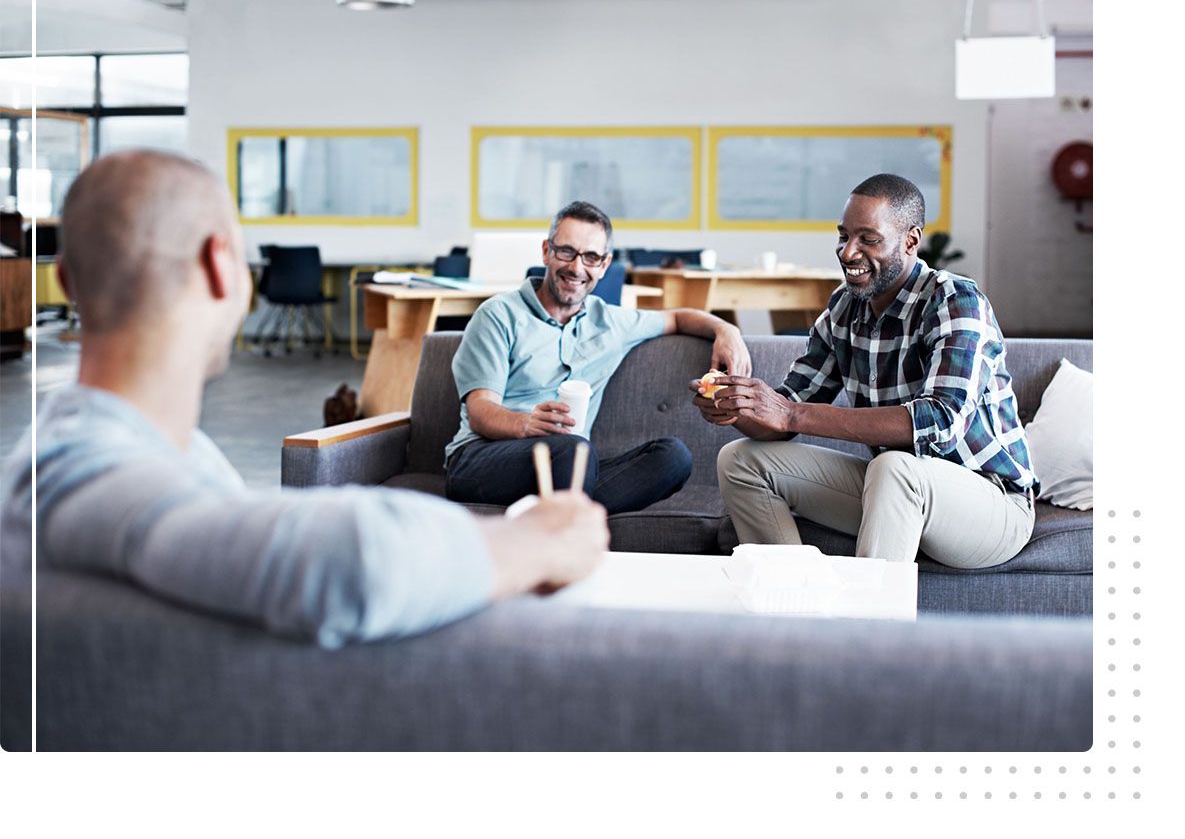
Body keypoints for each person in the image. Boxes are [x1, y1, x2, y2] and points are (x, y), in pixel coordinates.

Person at [0, 150, 610, 649]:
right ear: (220, 267)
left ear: (71, 283)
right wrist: (538, 540)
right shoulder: (86, 472)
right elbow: (344, 565)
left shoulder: (113, 448)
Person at [695, 174, 1036, 569]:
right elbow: (787, 413)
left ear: (911, 240)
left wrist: (790, 413)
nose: (847, 252)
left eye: (868, 240)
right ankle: (792, 602)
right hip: (891, 490)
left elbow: (940, 420)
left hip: (992, 506)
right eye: (843, 236)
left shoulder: (955, 300)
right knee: (741, 460)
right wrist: (739, 405)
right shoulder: (844, 308)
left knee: (894, 467)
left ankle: (865, 628)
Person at [444, 200, 751, 514]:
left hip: (569, 466)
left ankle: (553, 513)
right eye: (566, 251)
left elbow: (677, 318)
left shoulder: (611, 322)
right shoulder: (499, 315)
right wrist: (526, 424)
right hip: (482, 457)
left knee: (673, 456)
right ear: (546, 252)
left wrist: (726, 330)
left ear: (604, 265)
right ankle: (568, 523)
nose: (577, 268)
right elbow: (481, 410)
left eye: (591, 257)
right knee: (574, 450)